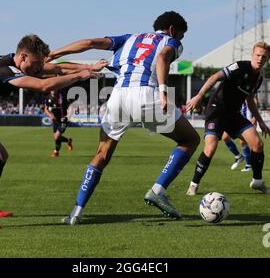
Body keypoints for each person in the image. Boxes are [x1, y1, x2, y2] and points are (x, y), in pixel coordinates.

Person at [46, 11, 200, 225]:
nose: (180, 40)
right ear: (173, 30)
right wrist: (164, 91)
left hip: (117, 97)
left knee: (101, 154)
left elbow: (90, 42)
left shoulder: (129, 38)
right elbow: (163, 57)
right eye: (181, 35)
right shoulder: (171, 41)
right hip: (147, 95)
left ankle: (76, 212)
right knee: (190, 140)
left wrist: (55, 53)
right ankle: (158, 190)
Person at [0, 34, 105, 230]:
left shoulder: (15, 60)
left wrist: (89, 68)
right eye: (36, 64)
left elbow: (57, 68)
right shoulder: (4, 70)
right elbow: (44, 85)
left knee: (1, 155)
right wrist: (81, 75)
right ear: (24, 57)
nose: (38, 69)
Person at [186, 42, 270, 196]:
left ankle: (257, 182)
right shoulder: (239, 67)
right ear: (252, 55)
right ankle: (194, 184)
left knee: (258, 144)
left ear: (267, 59)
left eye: (264, 57)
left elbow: (249, 99)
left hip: (233, 114)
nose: (260, 58)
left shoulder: (258, 79)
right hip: (216, 110)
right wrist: (199, 95)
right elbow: (214, 77)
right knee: (211, 147)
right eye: (258, 55)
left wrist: (260, 120)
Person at [44, 89, 73, 157]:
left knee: (57, 136)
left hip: (63, 120)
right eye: (51, 88)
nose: (53, 90)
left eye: (54, 88)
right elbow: (45, 109)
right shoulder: (48, 98)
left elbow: (71, 106)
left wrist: (68, 116)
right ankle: (68, 140)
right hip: (55, 120)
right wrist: (50, 115)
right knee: (56, 137)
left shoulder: (62, 97)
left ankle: (56, 151)